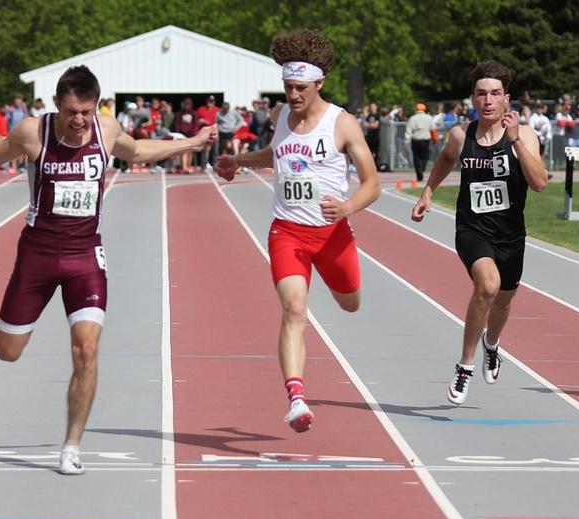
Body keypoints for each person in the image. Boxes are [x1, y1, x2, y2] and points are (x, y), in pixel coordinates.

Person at [0, 65, 213, 475]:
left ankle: (71, 445)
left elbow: (139, 151)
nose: (80, 121)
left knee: (87, 348)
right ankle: (20, 332)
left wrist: (191, 142)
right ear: (57, 106)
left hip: (85, 256)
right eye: (72, 112)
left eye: (86, 111)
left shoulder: (105, 130)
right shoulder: (34, 133)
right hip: (37, 255)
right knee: (8, 351)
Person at [215, 29, 381, 432]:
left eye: (300, 88)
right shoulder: (279, 117)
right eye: (287, 87)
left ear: (319, 82)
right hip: (287, 232)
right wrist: (238, 161)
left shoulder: (342, 124)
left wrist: (346, 207)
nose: (292, 96)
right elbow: (275, 153)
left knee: (350, 303)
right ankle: (296, 398)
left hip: (332, 234)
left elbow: (372, 184)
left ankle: (299, 389)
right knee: (293, 311)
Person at [411, 61, 548, 405]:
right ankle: (464, 364)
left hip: (511, 233)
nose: (488, 100)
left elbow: (540, 183)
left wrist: (515, 140)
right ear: (473, 98)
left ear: (507, 99)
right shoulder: (462, 135)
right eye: (481, 93)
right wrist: (428, 192)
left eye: (495, 93)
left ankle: (492, 345)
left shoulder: (525, 134)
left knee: (503, 300)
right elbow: (444, 159)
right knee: (486, 286)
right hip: (471, 228)